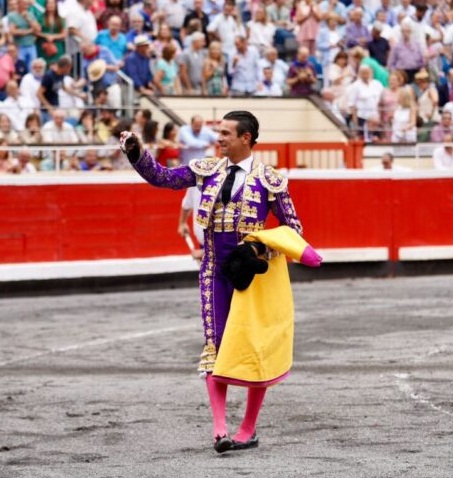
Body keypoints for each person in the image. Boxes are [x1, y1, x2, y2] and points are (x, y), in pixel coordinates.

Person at [119, 109, 321, 454]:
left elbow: (294, 230)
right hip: (214, 271)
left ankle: (247, 427)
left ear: (246, 138)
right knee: (216, 346)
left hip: (252, 276)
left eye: (226, 133)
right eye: (218, 131)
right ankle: (219, 429)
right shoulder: (205, 170)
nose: (219, 138)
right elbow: (162, 177)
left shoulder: (271, 179)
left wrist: (260, 247)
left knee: (254, 348)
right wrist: (137, 153)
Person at [178, 186, 203, 260]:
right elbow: (187, 203)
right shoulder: (196, 182)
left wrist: (205, 252)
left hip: (219, 251)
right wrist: (182, 223)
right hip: (204, 245)